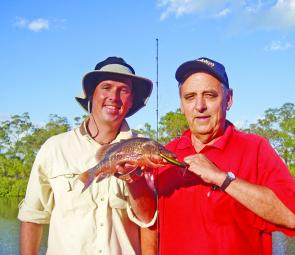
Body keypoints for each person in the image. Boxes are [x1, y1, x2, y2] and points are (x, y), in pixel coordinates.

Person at [18, 56, 157, 255]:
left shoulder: (146, 149)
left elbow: (148, 220)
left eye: (124, 90)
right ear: (91, 94)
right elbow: (33, 217)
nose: (114, 97)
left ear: (132, 100)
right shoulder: (54, 148)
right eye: (106, 87)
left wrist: (134, 179)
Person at [157, 57, 295, 255]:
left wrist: (223, 178)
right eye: (190, 97)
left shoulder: (256, 148)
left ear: (228, 99)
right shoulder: (164, 155)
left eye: (210, 95)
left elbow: (291, 215)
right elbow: (148, 227)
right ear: (181, 105)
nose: (200, 106)